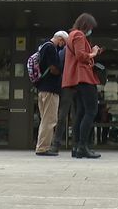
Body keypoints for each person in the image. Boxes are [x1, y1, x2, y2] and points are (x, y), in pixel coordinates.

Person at [63, 13, 102, 159]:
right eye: (90, 27)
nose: (91, 29)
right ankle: (82, 146)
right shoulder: (79, 35)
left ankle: (76, 147)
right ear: (86, 25)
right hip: (84, 78)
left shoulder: (71, 35)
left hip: (76, 80)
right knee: (91, 110)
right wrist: (93, 53)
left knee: (80, 112)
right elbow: (81, 56)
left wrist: (92, 53)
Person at [35, 31, 68, 156]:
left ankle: (41, 146)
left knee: (45, 119)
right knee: (50, 120)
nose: (63, 46)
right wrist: (61, 69)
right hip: (50, 90)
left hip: (43, 88)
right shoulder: (50, 47)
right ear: (59, 39)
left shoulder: (43, 46)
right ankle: (43, 148)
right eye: (63, 42)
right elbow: (54, 69)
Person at [50, 45, 78, 156]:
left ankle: (57, 145)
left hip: (69, 85)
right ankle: (73, 145)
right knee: (66, 116)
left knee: (65, 116)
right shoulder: (67, 49)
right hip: (72, 85)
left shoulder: (66, 50)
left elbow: (59, 65)